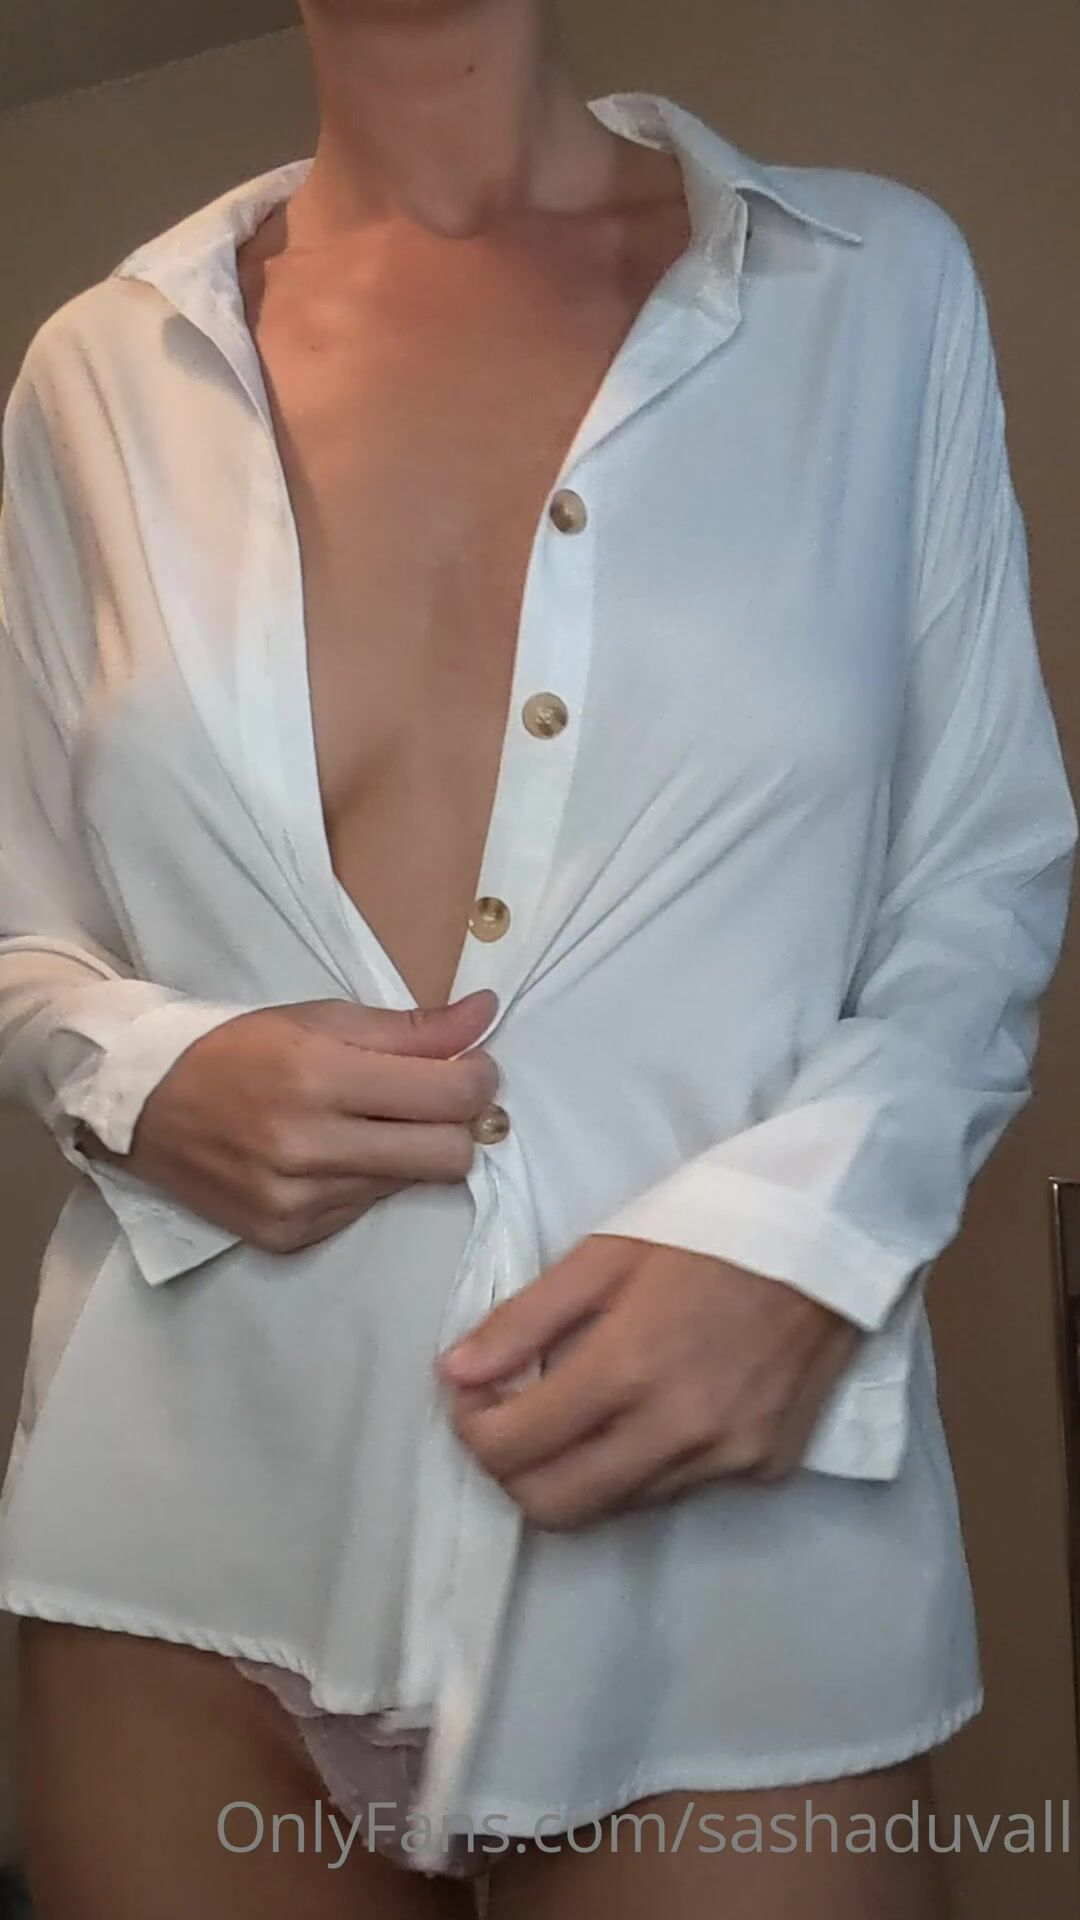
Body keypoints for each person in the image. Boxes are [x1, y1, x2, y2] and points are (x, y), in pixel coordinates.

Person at [0, 0, 1075, 1914]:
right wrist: (145, 1078)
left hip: (722, 1539)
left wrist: (812, 1244)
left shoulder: (870, 291)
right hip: (184, 1527)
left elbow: (981, 873)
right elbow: (21, 928)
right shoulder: (98, 372)